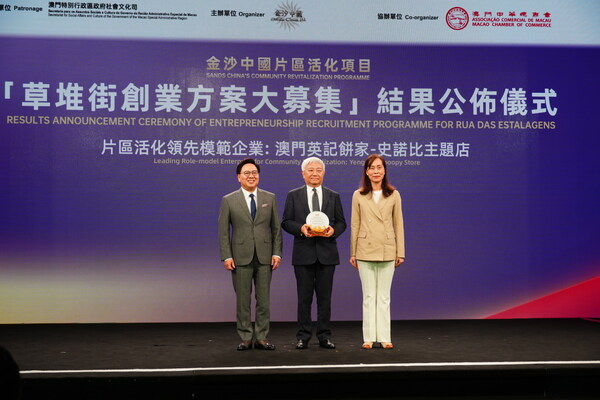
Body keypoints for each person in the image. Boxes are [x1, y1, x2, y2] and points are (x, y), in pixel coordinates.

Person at [282, 157, 346, 349]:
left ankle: (325, 336)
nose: (315, 173)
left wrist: (334, 230)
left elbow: (341, 222)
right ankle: (303, 336)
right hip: (303, 253)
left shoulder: (333, 195)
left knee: (325, 298)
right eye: (310, 170)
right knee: (304, 298)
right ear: (303, 174)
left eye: (319, 170)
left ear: (324, 173)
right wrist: (301, 228)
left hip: (327, 253)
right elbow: (286, 221)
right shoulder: (294, 195)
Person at [218, 158, 282, 351]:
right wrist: (226, 256)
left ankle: (262, 337)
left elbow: (276, 228)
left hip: (264, 256)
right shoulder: (229, 200)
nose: (251, 176)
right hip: (240, 257)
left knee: (264, 300)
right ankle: (246, 337)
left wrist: (277, 253)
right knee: (243, 300)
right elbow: (223, 231)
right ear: (239, 177)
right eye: (247, 173)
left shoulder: (269, 198)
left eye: (254, 173)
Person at [349, 154, 405, 350]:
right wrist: (353, 252)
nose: (376, 171)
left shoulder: (394, 194)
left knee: (384, 296)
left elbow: (399, 224)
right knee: (369, 296)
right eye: (372, 168)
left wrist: (401, 252)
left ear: (384, 170)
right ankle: (369, 337)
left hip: (387, 249)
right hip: (364, 249)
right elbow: (355, 225)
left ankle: (384, 337)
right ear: (366, 171)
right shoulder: (358, 194)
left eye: (379, 167)